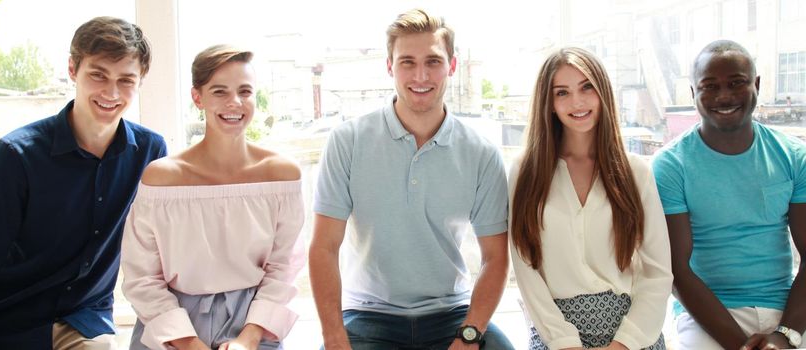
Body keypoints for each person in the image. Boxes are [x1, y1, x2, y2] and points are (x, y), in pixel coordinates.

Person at [309, 8, 514, 350]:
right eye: (407, 62)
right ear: (390, 66)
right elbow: (323, 247)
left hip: (451, 313)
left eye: (433, 61)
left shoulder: (481, 152)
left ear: (452, 65)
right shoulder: (348, 141)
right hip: (367, 315)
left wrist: (469, 334)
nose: (421, 75)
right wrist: (333, 337)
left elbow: (496, 258)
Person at [0, 16, 166, 349]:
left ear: (140, 80)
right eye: (98, 75)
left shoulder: (150, 152)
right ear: (73, 70)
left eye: (126, 80)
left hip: (84, 320)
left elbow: (164, 248)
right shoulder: (17, 155)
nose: (111, 92)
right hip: (10, 320)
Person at [121, 45, 304, 350]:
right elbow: (142, 277)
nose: (235, 102)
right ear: (198, 97)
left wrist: (247, 339)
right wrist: (191, 343)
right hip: (172, 325)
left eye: (245, 91)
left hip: (253, 322)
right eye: (220, 91)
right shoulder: (161, 178)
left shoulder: (282, 175)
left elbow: (283, 268)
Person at [508, 47, 672, 350]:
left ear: (603, 92)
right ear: (549, 103)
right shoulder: (525, 172)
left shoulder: (636, 172)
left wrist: (624, 343)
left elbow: (658, 272)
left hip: (631, 333)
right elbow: (525, 269)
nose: (577, 102)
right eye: (562, 93)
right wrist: (565, 342)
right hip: (554, 332)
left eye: (587, 87)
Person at [652, 40, 806, 350]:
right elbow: (677, 270)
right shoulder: (671, 165)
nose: (724, 96)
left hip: (786, 309)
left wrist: (786, 335)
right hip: (708, 315)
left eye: (736, 83)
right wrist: (742, 347)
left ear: (757, 85)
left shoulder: (793, 156)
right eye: (710, 86)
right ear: (694, 93)